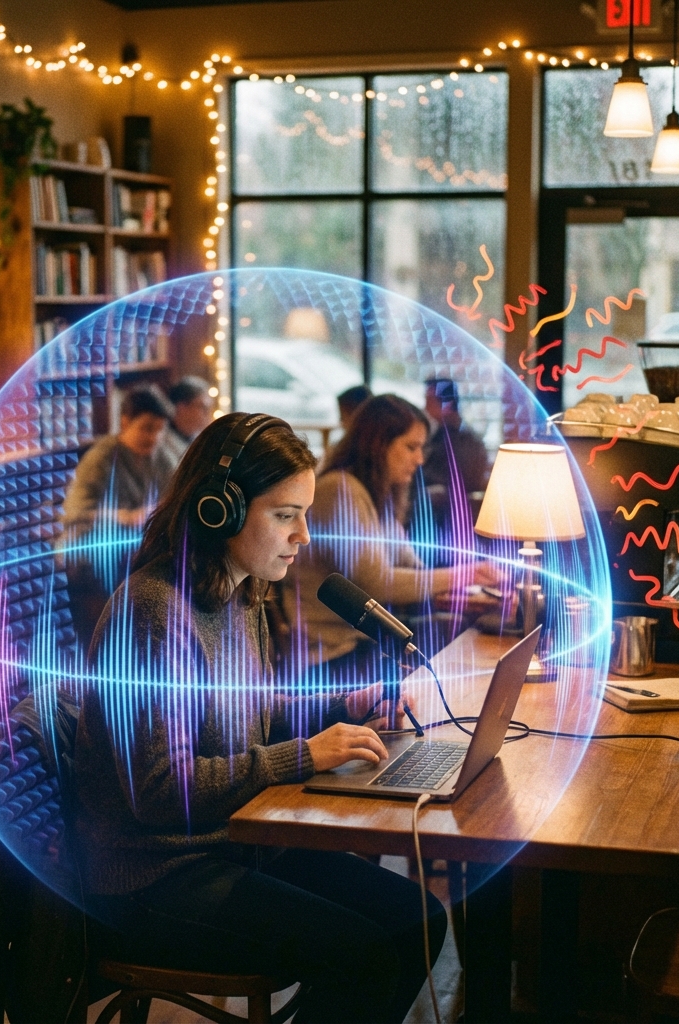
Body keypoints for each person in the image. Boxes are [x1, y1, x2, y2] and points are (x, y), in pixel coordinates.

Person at [74, 412, 447, 1024]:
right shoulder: (153, 611)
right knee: (366, 958)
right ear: (216, 511)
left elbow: (255, 713)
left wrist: (338, 710)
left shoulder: (240, 589)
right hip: (153, 875)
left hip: (232, 842)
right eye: (284, 514)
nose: (303, 534)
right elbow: (160, 793)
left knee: (418, 920)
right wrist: (307, 755)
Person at [283, 393, 498, 685]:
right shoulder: (340, 490)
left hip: (363, 645)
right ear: (378, 444)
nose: (420, 459)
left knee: (471, 647)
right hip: (330, 656)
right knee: (464, 668)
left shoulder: (376, 494)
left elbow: (413, 568)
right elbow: (377, 583)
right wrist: (466, 574)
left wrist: (461, 593)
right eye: (411, 447)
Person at [63, 384, 177, 534]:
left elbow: (177, 493)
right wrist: (125, 517)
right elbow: (72, 512)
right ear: (125, 422)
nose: (154, 437)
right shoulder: (101, 457)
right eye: (147, 428)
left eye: (160, 429)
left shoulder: (161, 456)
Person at [422, 378, 489, 509]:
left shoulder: (464, 441)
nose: (425, 406)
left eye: (429, 400)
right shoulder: (441, 434)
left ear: (447, 404)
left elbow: (457, 485)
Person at [162, 375, 214, 463]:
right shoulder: (161, 443)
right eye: (203, 407)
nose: (208, 413)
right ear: (182, 408)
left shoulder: (199, 437)